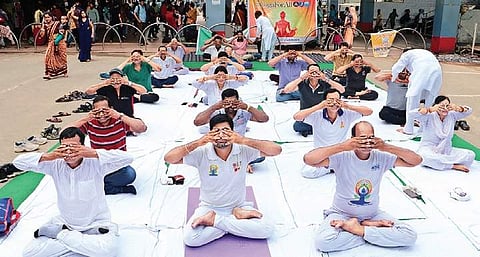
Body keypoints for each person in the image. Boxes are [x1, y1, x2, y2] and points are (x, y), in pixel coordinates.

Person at [164, 114, 282, 247]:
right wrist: (198, 142)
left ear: (233, 133)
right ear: (209, 134)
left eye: (226, 131)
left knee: (267, 229)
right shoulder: (202, 152)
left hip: (239, 206)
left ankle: (216, 221)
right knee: (191, 239)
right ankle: (230, 222)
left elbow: (276, 150)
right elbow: (169, 158)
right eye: (216, 131)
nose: (221, 135)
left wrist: (244, 140)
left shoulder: (242, 149)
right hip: (209, 208)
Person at [13, 127, 133, 257]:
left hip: (95, 225)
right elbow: (17, 163)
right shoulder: (54, 164)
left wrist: (92, 153)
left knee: (109, 251)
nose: (69, 152)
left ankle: (59, 234)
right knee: (30, 253)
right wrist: (49, 156)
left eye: (74, 147)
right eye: (65, 147)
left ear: (83, 147)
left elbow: (128, 158)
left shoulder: (96, 163)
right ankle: (80, 244)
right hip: (65, 222)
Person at [304, 121, 421, 252]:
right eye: (362, 138)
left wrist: (386, 146)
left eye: (371, 137)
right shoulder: (342, 157)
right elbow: (309, 159)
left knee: (410, 236)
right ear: (353, 139)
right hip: (341, 214)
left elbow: (416, 161)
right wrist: (343, 146)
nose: (367, 142)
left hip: (372, 214)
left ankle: (358, 228)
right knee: (323, 242)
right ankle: (370, 229)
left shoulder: (381, 157)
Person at [67, 95, 146, 194]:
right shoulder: (90, 123)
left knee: (129, 174)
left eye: (104, 110)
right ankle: (108, 187)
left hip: (118, 164)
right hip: (99, 164)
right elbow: (64, 133)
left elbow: (142, 128)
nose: (101, 114)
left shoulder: (119, 121)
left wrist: (120, 115)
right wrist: (86, 118)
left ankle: (98, 185)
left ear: (111, 109)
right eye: (97, 111)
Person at [294, 89, 372, 178]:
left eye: (337, 100)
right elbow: (297, 117)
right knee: (308, 172)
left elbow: (369, 111)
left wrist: (347, 106)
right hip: (322, 155)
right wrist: (319, 106)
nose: (334, 103)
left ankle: (336, 166)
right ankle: (331, 167)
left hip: (341, 155)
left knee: (362, 168)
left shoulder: (347, 114)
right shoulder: (317, 115)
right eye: (330, 100)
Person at [413, 96, 474, 172]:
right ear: (436, 106)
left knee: (470, 155)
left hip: (446, 150)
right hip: (429, 148)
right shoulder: (429, 116)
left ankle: (440, 162)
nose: (445, 108)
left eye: (447, 106)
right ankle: (452, 165)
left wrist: (459, 108)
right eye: (442, 106)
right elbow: (412, 114)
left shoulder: (452, 115)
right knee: (424, 157)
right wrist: (429, 110)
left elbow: (469, 110)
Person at [391, 49, 442, 135]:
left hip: (421, 71)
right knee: (429, 102)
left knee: (412, 99)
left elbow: (397, 67)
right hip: (437, 72)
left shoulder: (407, 54)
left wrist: (394, 77)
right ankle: (424, 128)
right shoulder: (424, 53)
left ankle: (408, 129)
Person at [284, 64, 345, 136]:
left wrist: (326, 79)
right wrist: (301, 78)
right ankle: (319, 129)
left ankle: (313, 129)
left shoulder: (325, 84)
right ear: (307, 73)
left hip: (322, 115)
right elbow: (286, 90)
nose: (314, 74)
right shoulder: (302, 84)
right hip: (307, 114)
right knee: (297, 126)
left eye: (317, 72)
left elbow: (342, 90)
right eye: (312, 72)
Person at [194, 88, 269, 135]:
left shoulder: (243, 112)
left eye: (233, 102)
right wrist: (213, 107)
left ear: (238, 101)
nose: (230, 105)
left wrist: (248, 107)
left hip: (239, 144)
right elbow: (197, 122)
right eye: (227, 102)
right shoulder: (217, 112)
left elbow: (264, 119)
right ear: (222, 102)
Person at [40, 12, 68, 80]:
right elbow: (42, 35)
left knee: (61, 57)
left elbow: (62, 33)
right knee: (48, 57)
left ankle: (64, 71)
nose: (47, 19)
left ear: (51, 17)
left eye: (48, 17)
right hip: (50, 43)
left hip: (59, 42)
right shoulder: (45, 25)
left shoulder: (57, 24)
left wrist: (56, 41)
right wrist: (43, 27)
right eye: (45, 17)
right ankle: (50, 73)